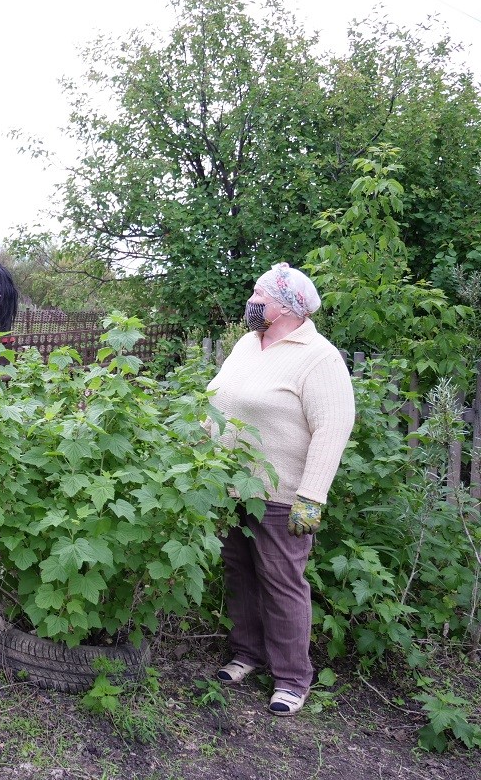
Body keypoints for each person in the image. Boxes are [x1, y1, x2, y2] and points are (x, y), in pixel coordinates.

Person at [206, 262, 355, 717]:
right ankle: (247, 654)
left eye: (259, 295)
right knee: (239, 573)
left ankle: (292, 679)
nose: (252, 302)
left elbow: (333, 428)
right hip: (230, 487)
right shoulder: (247, 344)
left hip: (281, 493)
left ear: (286, 307)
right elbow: (218, 399)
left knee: (282, 582)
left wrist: (312, 497)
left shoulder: (319, 357)